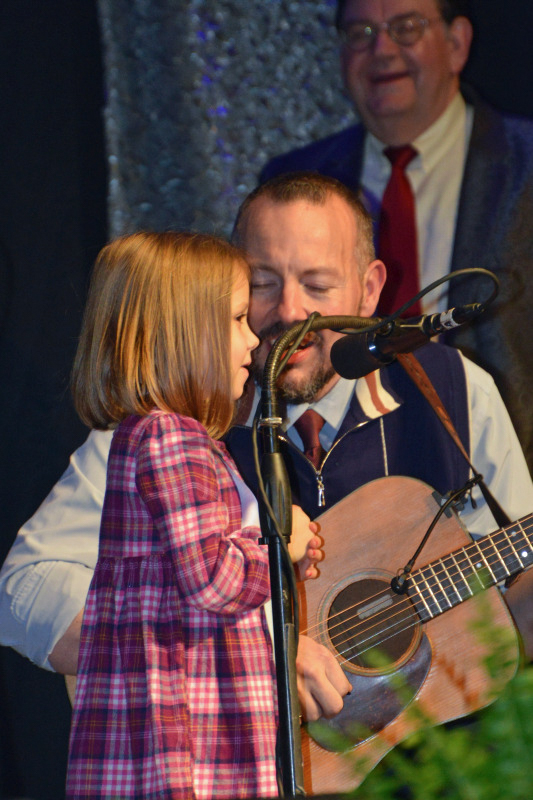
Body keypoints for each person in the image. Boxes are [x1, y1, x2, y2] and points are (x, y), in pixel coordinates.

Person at [1, 172, 532, 730]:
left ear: (369, 290)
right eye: (261, 283)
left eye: (318, 285)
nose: (289, 312)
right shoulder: (171, 420)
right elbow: (24, 592)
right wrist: (248, 651)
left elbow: (517, 596)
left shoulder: (456, 392)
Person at [61, 231, 321, 800]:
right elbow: (213, 581)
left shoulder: (174, 439)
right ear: (185, 335)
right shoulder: (170, 437)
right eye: (235, 320)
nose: (253, 340)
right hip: (190, 745)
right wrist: (282, 544)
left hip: (196, 733)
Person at [260, 0, 533, 472]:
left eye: (405, 28)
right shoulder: (291, 178)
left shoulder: (526, 165)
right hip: (348, 498)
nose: (381, 49)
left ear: (457, 43)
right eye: (361, 32)